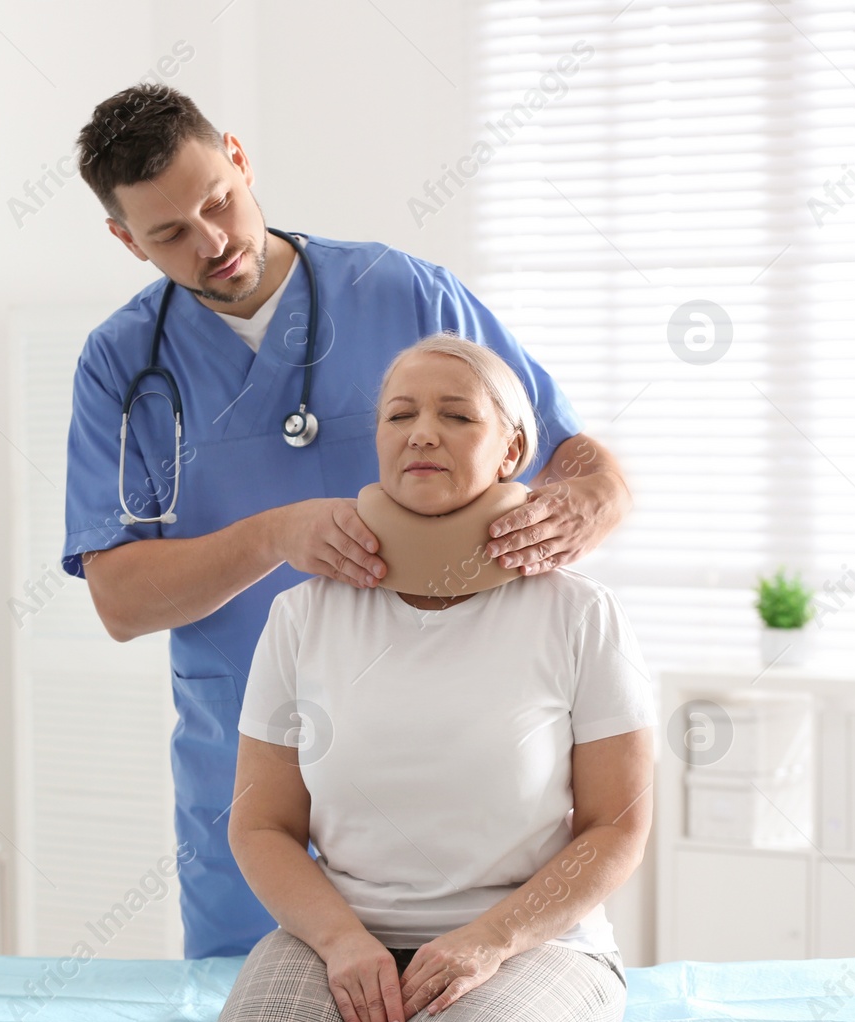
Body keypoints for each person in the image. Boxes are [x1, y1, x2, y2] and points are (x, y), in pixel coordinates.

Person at [61, 83, 633, 960]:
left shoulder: (402, 293)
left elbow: (571, 457)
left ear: (240, 159)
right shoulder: (121, 364)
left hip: (454, 780)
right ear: (124, 240)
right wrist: (273, 536)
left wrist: (592, 501)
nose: (212, 241)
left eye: (218, 200)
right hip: (252, 779)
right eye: (170, 232)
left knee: (460, 1012)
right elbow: (121, 600)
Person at [209, 334, 654, 1022]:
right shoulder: (304, 614)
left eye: (456, 415)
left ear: (511, 451)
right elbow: (261, 826)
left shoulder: (578, 614)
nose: (421, 431)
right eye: (399, 415)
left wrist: (491, 939)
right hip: (342, 931)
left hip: (532, 944)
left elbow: (617, 828)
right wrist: (342, 939)